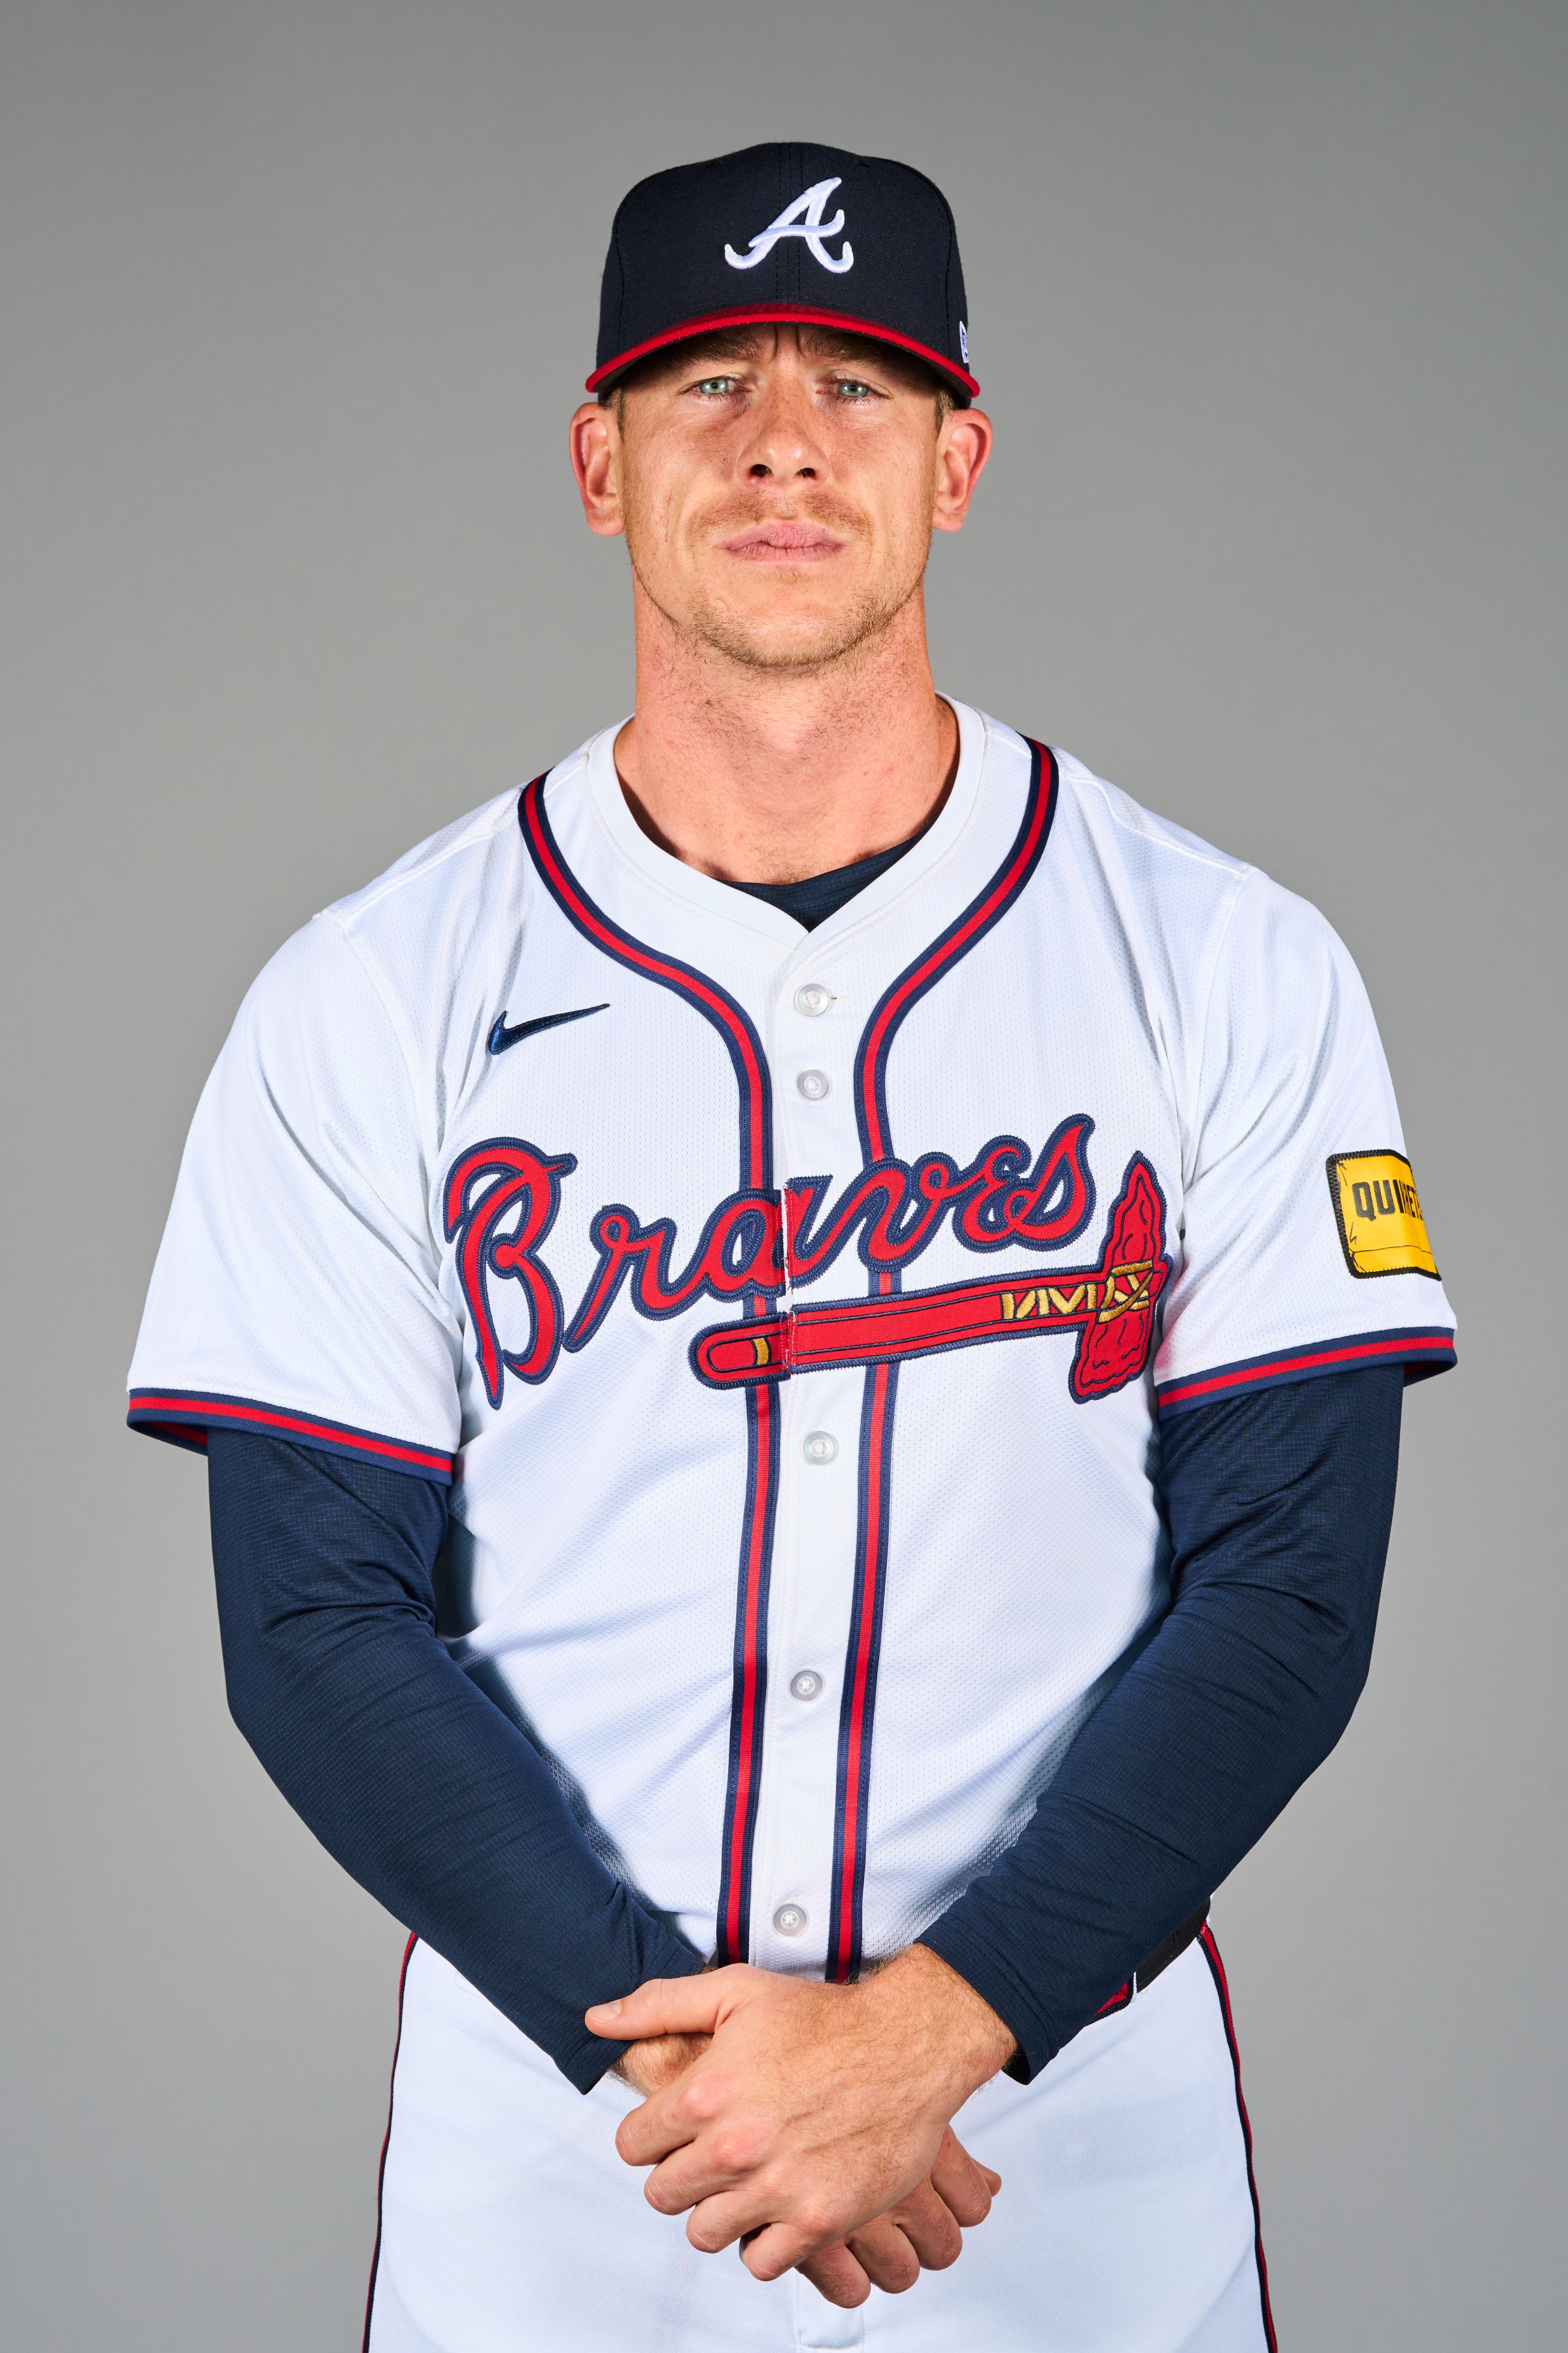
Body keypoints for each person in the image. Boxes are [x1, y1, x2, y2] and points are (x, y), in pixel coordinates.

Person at [127, 142, 1456, 2352]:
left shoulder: (1229, 962)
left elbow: (1292, 1592)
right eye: (703, 381)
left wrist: (938, 2030)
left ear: (960, 459)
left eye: (856, 384)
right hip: (569, 2176)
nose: (778, 440)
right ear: (595, 462)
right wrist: (715, 2091)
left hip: (1063, 2148)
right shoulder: (373, 995)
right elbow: (311, 1625)